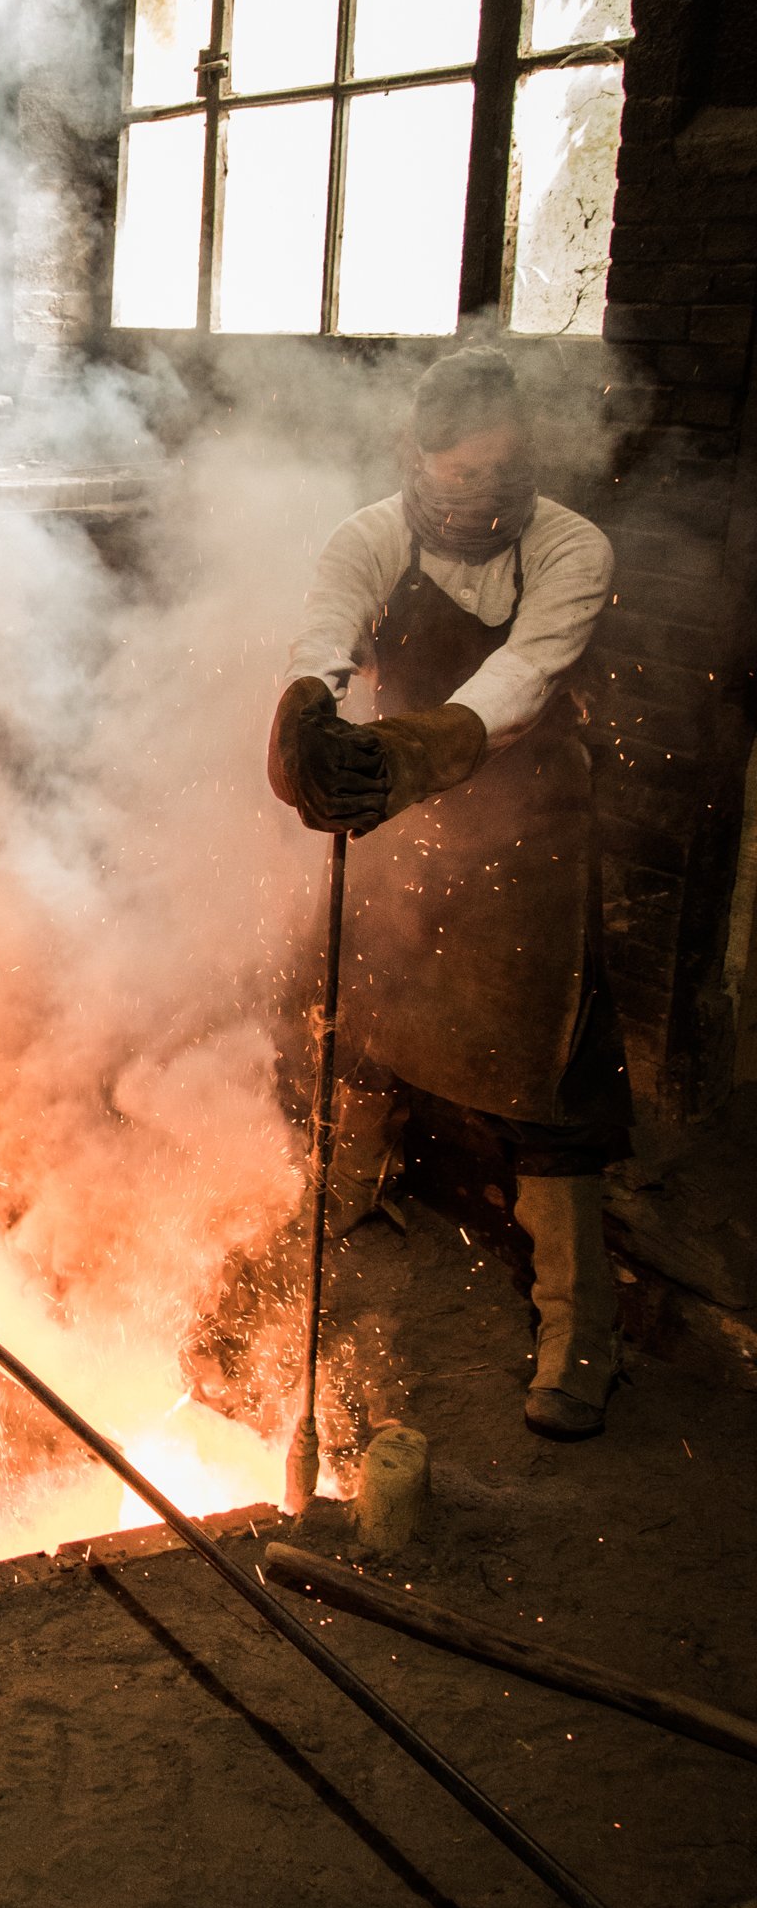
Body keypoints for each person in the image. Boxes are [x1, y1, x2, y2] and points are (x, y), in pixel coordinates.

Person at [269, 345, 627, 1441]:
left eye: (498, 472)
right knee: (354, 1007)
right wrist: (308, 724)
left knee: (548, 1079)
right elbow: (324, 640)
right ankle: (343, 1197)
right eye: (455, 475)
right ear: (414, 459)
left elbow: (515, 683)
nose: (476, 495)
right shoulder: (370, 534)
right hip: (400, 810)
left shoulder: (570, 548)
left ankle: (579, 1333)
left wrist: (404, 756)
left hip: (526, 828)